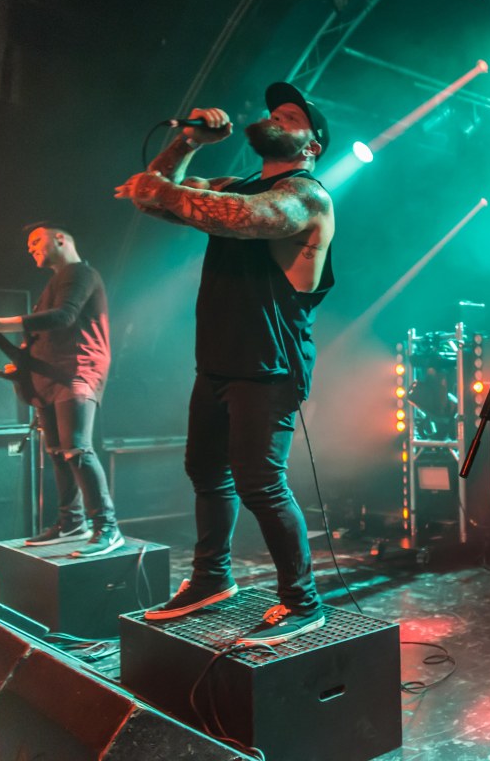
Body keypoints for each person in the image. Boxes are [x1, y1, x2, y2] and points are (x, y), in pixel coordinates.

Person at [114, 82, 335, 646]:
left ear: (311, 145)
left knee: (260, 483)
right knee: (206, 472)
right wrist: (187, 142)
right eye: (274, 111)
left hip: (269, 364)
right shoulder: (233, 184)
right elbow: (151, 199)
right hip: (217, 360)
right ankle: (212, 578)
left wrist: (161, 188)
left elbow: (244, 217)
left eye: (291, 117)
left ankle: (303, 603)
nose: (275, 118)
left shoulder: (307, 195)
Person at [0, 224, 119, 557]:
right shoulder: (53, 285)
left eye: (36, 240)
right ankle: (72, 523)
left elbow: (64, 317)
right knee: (57, 452)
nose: (30, 248)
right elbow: (38, 344)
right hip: (48, 379)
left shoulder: (80, 273)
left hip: (75, 372)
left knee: (77, 449)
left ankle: (107, 527)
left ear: (60, 239)